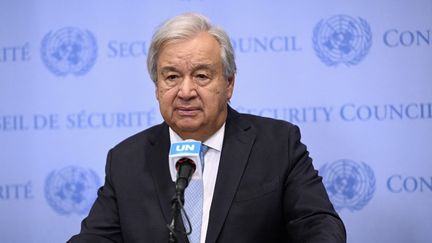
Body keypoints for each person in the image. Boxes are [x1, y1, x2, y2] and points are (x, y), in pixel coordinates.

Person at [69, 12, 346, 243]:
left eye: (201, 76)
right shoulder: (126, 159)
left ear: (228, 84)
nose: (185, 91)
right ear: (157, 87)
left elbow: (319, 225)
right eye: (172, 77)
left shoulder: (277, 144)